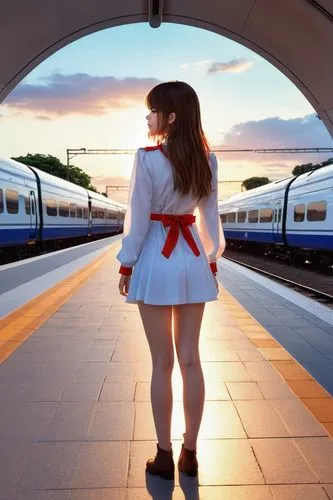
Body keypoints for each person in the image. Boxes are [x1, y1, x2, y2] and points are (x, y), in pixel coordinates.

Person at [116, 81, 225, 481]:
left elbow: (138, 218)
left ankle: (164, 456)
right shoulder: (208, 161)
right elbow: (210, 217)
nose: (148, 117)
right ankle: (190, 454)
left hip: (156, 262)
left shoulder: (146, 158)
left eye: (152, 110)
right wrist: (211, 260)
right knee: (191, 359)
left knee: (161, 362)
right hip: (193, 257)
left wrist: (127, 264)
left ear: (172, 116)